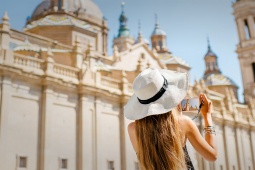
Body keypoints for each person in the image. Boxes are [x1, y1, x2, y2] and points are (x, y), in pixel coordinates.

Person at [124, 68, 217, 170]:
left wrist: (174, 108)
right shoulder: (183, 123)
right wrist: (207, 115)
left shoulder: (132, 129)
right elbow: (212, 155)